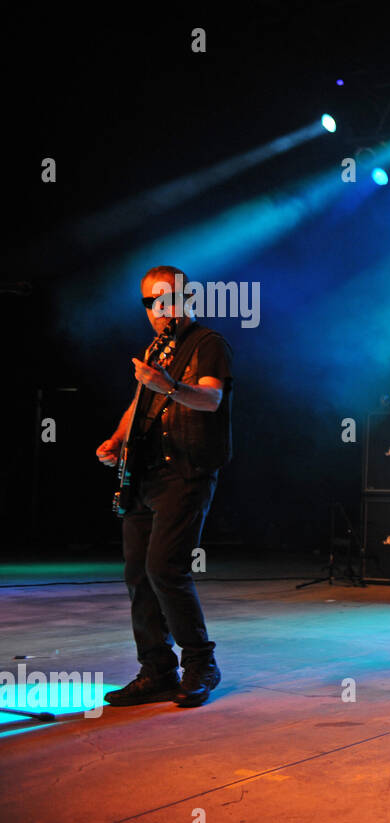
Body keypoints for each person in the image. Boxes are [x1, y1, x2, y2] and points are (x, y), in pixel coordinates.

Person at [96, 266, 233, 708]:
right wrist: (116, 441)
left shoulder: (207, 343)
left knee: (165, 568)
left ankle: (200, 664)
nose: (160, 310)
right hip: (145, 474)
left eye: (168, 298)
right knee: (137, 573)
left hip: (186, 471)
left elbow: (211, 399)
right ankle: (156, 669)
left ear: (187, 297)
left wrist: (170, 386)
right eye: (151, 302)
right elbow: (140, 402)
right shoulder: (156, 348)